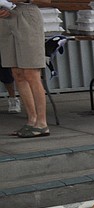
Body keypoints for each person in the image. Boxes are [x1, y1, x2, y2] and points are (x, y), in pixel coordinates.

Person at [0, 0, 48, 136]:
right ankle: (32, 120)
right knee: (17, 73)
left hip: (26, 13)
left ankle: (42, 123)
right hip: (5, 17)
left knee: (31, 72)